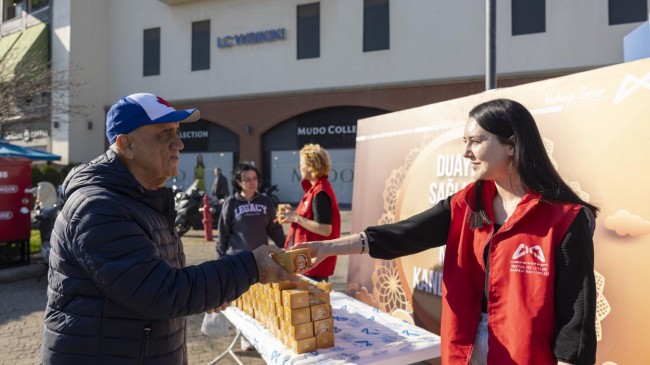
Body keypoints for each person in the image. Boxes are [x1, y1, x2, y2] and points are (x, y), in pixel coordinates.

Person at [292, 99, 598, 365]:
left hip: (524, 354)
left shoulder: (565, 218)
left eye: (476, 141)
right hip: (463, 349)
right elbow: (401, 235)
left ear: (512, 144)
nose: (466, 152)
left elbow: (576, 314)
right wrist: (326, 248)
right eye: (464, 141)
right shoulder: (465, 204)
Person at [41, 93, 297, 365]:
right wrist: (251, 267)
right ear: (125, 145)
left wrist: (209, 291)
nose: (179, 143)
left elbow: (162, 282)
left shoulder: (141, 199)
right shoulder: (97, 207)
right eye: (165, 134)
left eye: (177, 131)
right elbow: (160, 292)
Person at [216, 162, 286, 350]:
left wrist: (286, 247)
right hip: (236, 261)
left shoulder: (265, 202)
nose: (252, 182)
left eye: (254, 178)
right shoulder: (231, 203)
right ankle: (245, 336)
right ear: (238, 182)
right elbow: (223, 233)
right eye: (247, 179)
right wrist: (221, 258)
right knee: (241, 303)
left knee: (260, 301)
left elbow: (274, 228)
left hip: (260, 262)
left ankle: (260, 336)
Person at [277, 143, 340, 282]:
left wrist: (296, 217)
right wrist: (292, 216)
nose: (299, 167)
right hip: (309, 261)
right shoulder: (315, 189)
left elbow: (325, 229)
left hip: (313, 264)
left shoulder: (320, 192)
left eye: (301, 163)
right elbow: (308, 218)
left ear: (310, 165)